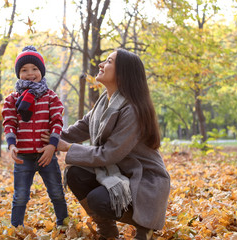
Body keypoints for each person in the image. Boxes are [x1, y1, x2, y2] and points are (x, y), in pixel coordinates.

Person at [42, 48, 170, 240]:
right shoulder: (105, 102)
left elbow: (109, 154)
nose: (101, 65)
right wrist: (47, 137)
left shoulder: (132, 109)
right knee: (75, 173)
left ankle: (145, 225)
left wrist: (66, 147)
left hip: (143, 181)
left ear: (123, 73)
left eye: (109, 62)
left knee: (97, 200)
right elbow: (80, 128)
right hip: (119, 174)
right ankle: (107, 230)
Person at [2, 45, 68, 228]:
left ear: (41, 71)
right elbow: (9, 123)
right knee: (20, 195)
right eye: (24, 70)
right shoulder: (12, 100)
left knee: (56, 192)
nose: (30, 73)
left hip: (45, 154)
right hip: (23, 156)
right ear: (18, 73)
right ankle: (16, 227)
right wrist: (11, 144)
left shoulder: (51, 97)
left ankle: (63, 223)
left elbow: (57, 121)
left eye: (34, 69)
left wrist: (52, 146)